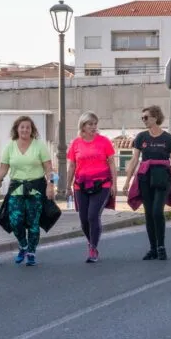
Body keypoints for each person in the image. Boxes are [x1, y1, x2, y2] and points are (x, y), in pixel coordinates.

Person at [0, 116, 54, 267]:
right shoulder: (10, 146)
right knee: (15, 221)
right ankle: (23, 245)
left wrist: (50, 185)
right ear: (17, 129)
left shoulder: (39, 146)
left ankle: (31, 252)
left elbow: (48, 168)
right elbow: (3, 169)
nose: (25, 130)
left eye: (28, 127)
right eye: (22, 127)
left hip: (35, 188)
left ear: (32, 130)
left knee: (33, 223)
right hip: (16, 189)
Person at [123, 105, 171, 261]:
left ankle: (161, 246)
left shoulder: (167, 138)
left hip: (162, 177)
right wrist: (127, 181)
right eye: (142, 118)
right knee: (148, 213)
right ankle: (153, 248)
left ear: (155, 117)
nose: (144, 120)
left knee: (157, 211)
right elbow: (135, 159)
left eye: (146, 117)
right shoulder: (141, 137)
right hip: (145, 177)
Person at [66, 111, 117, 264]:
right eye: (90, 124)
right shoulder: (76, 143)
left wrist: (114, 183)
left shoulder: (104, 142)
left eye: (95, 124)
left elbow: (112, 163)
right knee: (83, 219)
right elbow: (72, 165)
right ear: (83, 126)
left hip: (102, 184)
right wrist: (68, 185)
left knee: (93, 215)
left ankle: (93, 247)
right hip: (80, 185)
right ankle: (91, 242)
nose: (93, 127)